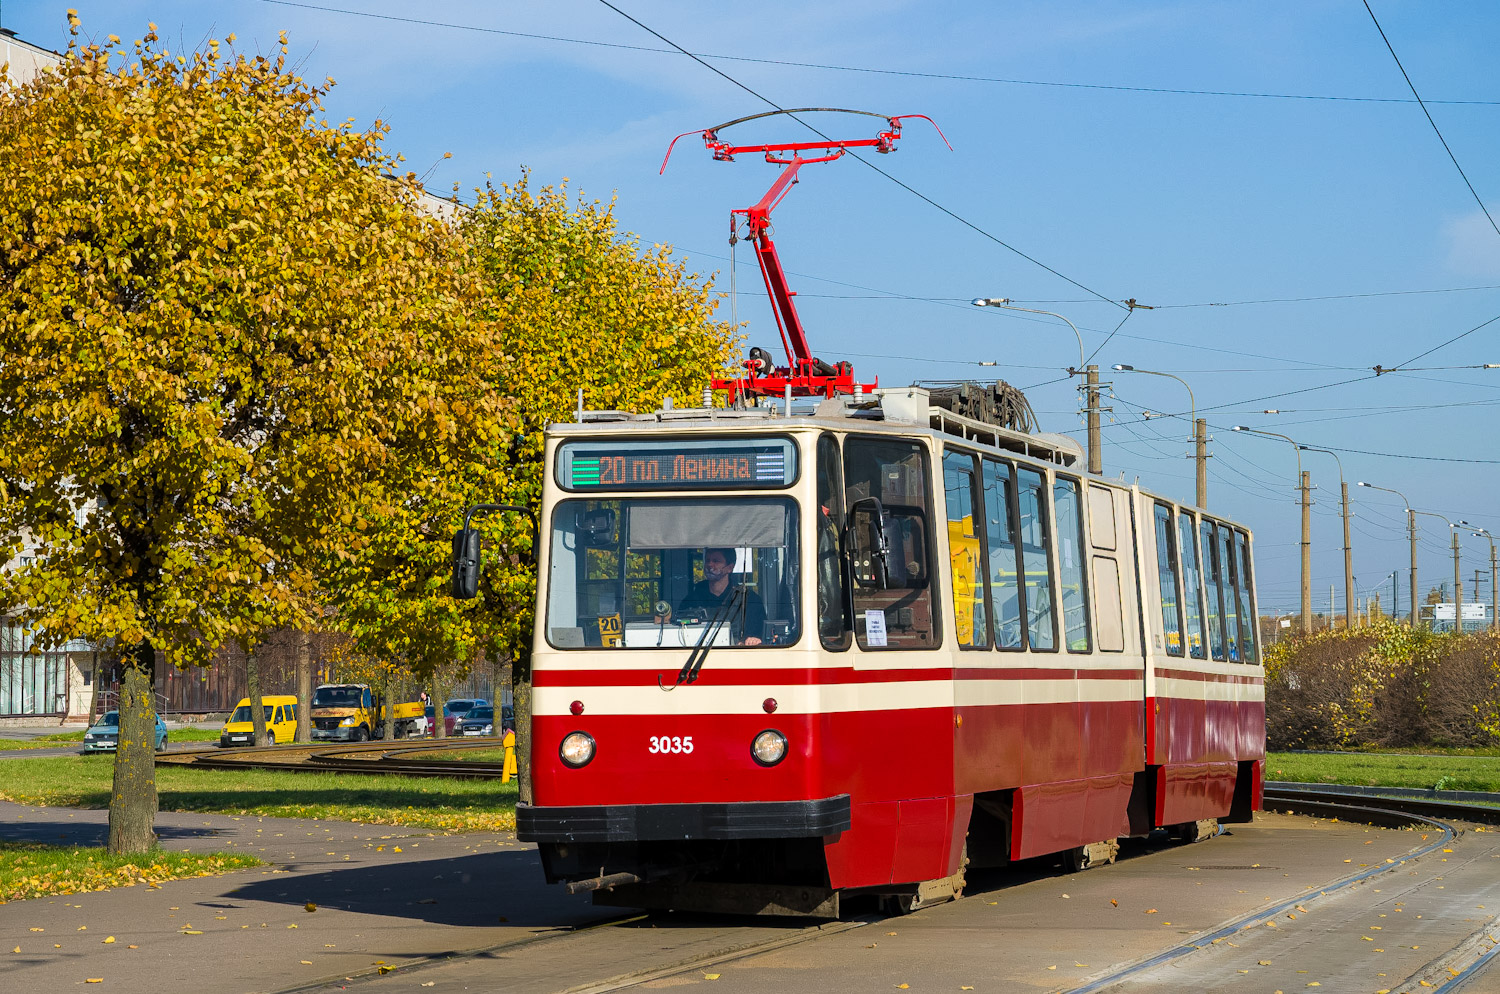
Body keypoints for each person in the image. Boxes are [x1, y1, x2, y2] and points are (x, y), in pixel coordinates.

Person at [676, 547, 767, 645]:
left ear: (730, 567)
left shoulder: (749, 599)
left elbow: (760, 634)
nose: (710, 565)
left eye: (716, 561)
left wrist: (752, 640)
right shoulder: (692, 600)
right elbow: (679, 627)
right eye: (707, 560)